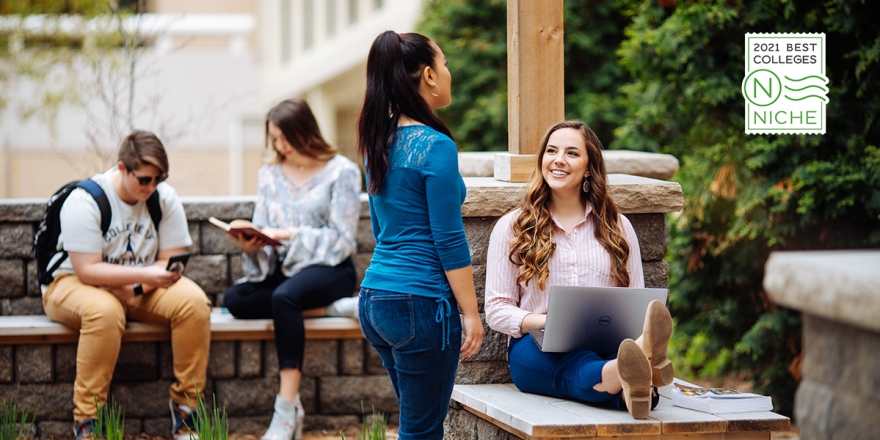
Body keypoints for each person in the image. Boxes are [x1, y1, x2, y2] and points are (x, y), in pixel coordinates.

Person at [484, 121, 675, 420]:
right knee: (579, 367)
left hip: (606, 342)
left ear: (588, 168)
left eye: (572, 153)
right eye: (551, 151)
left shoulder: (618, 227)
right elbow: (496, 310)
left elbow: (637, 300)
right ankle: (644, 372)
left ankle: (634, 386)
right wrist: (545, 320)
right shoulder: (513, 226)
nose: (559, 159)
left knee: (607, 360)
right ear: (542, 160)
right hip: (535, 347)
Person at [355, 30, 484, 439]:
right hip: (421, 304)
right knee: (423, 431)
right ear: (429, 75)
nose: (448, 72)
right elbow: (448, 239)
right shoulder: (436, 146)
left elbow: (381, 229)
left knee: (417, 425)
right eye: (444, 63)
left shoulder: (378, 141)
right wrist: (471, 313)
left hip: (375, 300)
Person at [41, 130, 211, 440]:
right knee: (105, 311)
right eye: (144, 179)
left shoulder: (163, 198)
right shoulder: (87, 200)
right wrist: (145, 277)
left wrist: (134, 288)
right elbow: (88, 271)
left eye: (158, 179)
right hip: (70, 283)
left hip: (134, 287)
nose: (151, 187)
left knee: (194, 302)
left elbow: (172, 260)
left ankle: (186, 415)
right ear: (122, 168)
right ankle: (87, 423)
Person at [222, 98, 361, 440]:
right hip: (284, 270)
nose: (279, 146)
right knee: (235, 299)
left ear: (304, 132)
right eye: (274, 138)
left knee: (285, 298)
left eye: (284, 137)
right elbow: (263, 228)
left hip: (330, 269)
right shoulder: (269, 175)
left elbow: (342, 240)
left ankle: (286, 409)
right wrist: (254, 246)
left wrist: (289, 235)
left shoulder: (342, 171)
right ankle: (330, 310)